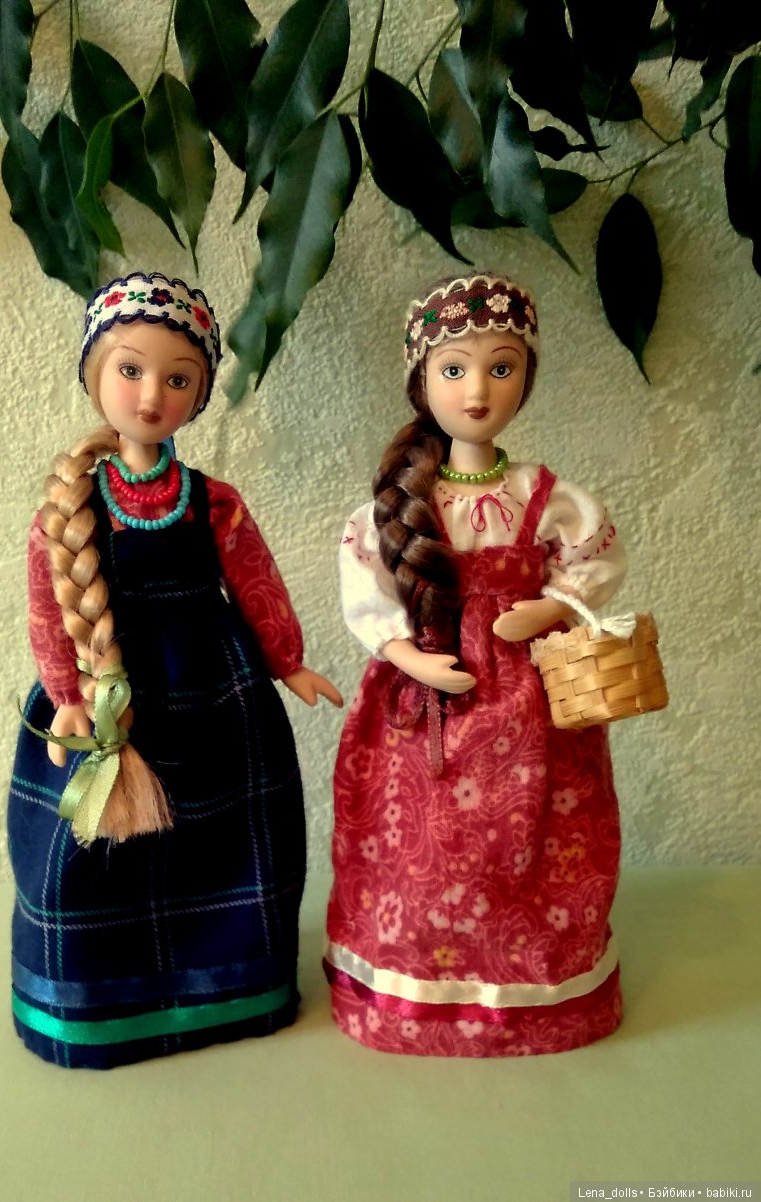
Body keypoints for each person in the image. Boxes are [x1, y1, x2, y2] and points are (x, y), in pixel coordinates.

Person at [8, 271, 341, 1069]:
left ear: (198, 395)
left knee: (234, 843)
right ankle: (93, 1005)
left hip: (217, 698)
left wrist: (287, 660)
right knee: (91, 858)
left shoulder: (210, 499)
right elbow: (49, 605)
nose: (152, 395)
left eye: (178, 379)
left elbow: (255, 580)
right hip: (108, 700)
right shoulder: (72, 506)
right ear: (96, 374)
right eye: (131, 370)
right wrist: (65, 695)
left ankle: (235, 987)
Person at [325, 272, 627, 1057]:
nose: (478, 390)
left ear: (527, 378)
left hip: (532, 705)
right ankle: (412, 989)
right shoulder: (401, 504)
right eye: (454, 369)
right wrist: (408, 657)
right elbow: (365, 587)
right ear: (423, 381)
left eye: (502, 367)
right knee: (417, 851)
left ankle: (537, 993)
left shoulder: (543, 494)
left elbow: (596, 558)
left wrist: (552, 607)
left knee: (538, 839)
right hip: (425, 704)